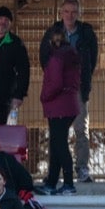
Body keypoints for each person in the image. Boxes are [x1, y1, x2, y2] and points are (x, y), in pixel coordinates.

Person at [38, 21, 81, 195]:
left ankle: (68, 182)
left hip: (58, 105)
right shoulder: (72, 54)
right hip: (69, 103)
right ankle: (52, 182)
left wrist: (44, 96)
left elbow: (55, 83)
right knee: (57, 143)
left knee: (59, 144)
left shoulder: (56, 57)